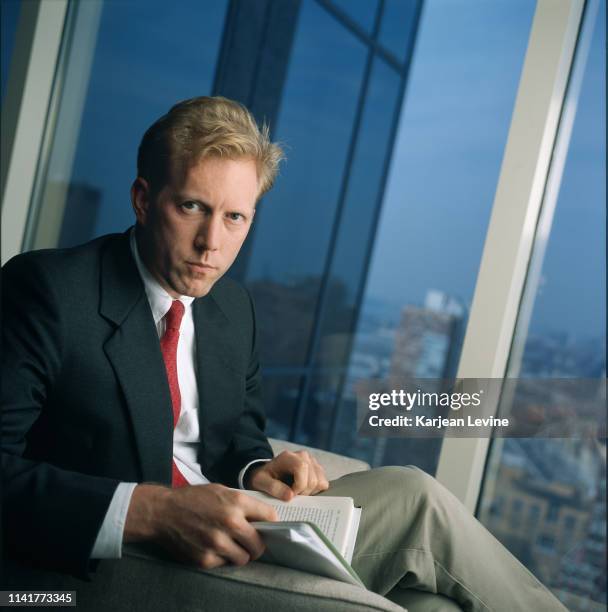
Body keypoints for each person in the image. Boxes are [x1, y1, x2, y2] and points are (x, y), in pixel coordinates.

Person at [2, 96, 565, 611]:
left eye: (235, 217)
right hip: (116, 561)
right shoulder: (47, 291)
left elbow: (238, 434)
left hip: (243, 524)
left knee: (419, 513)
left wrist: (259, 469)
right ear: (144, 200)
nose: (212, 243)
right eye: (193, 207)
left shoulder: (231, 310)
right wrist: (150, 511)